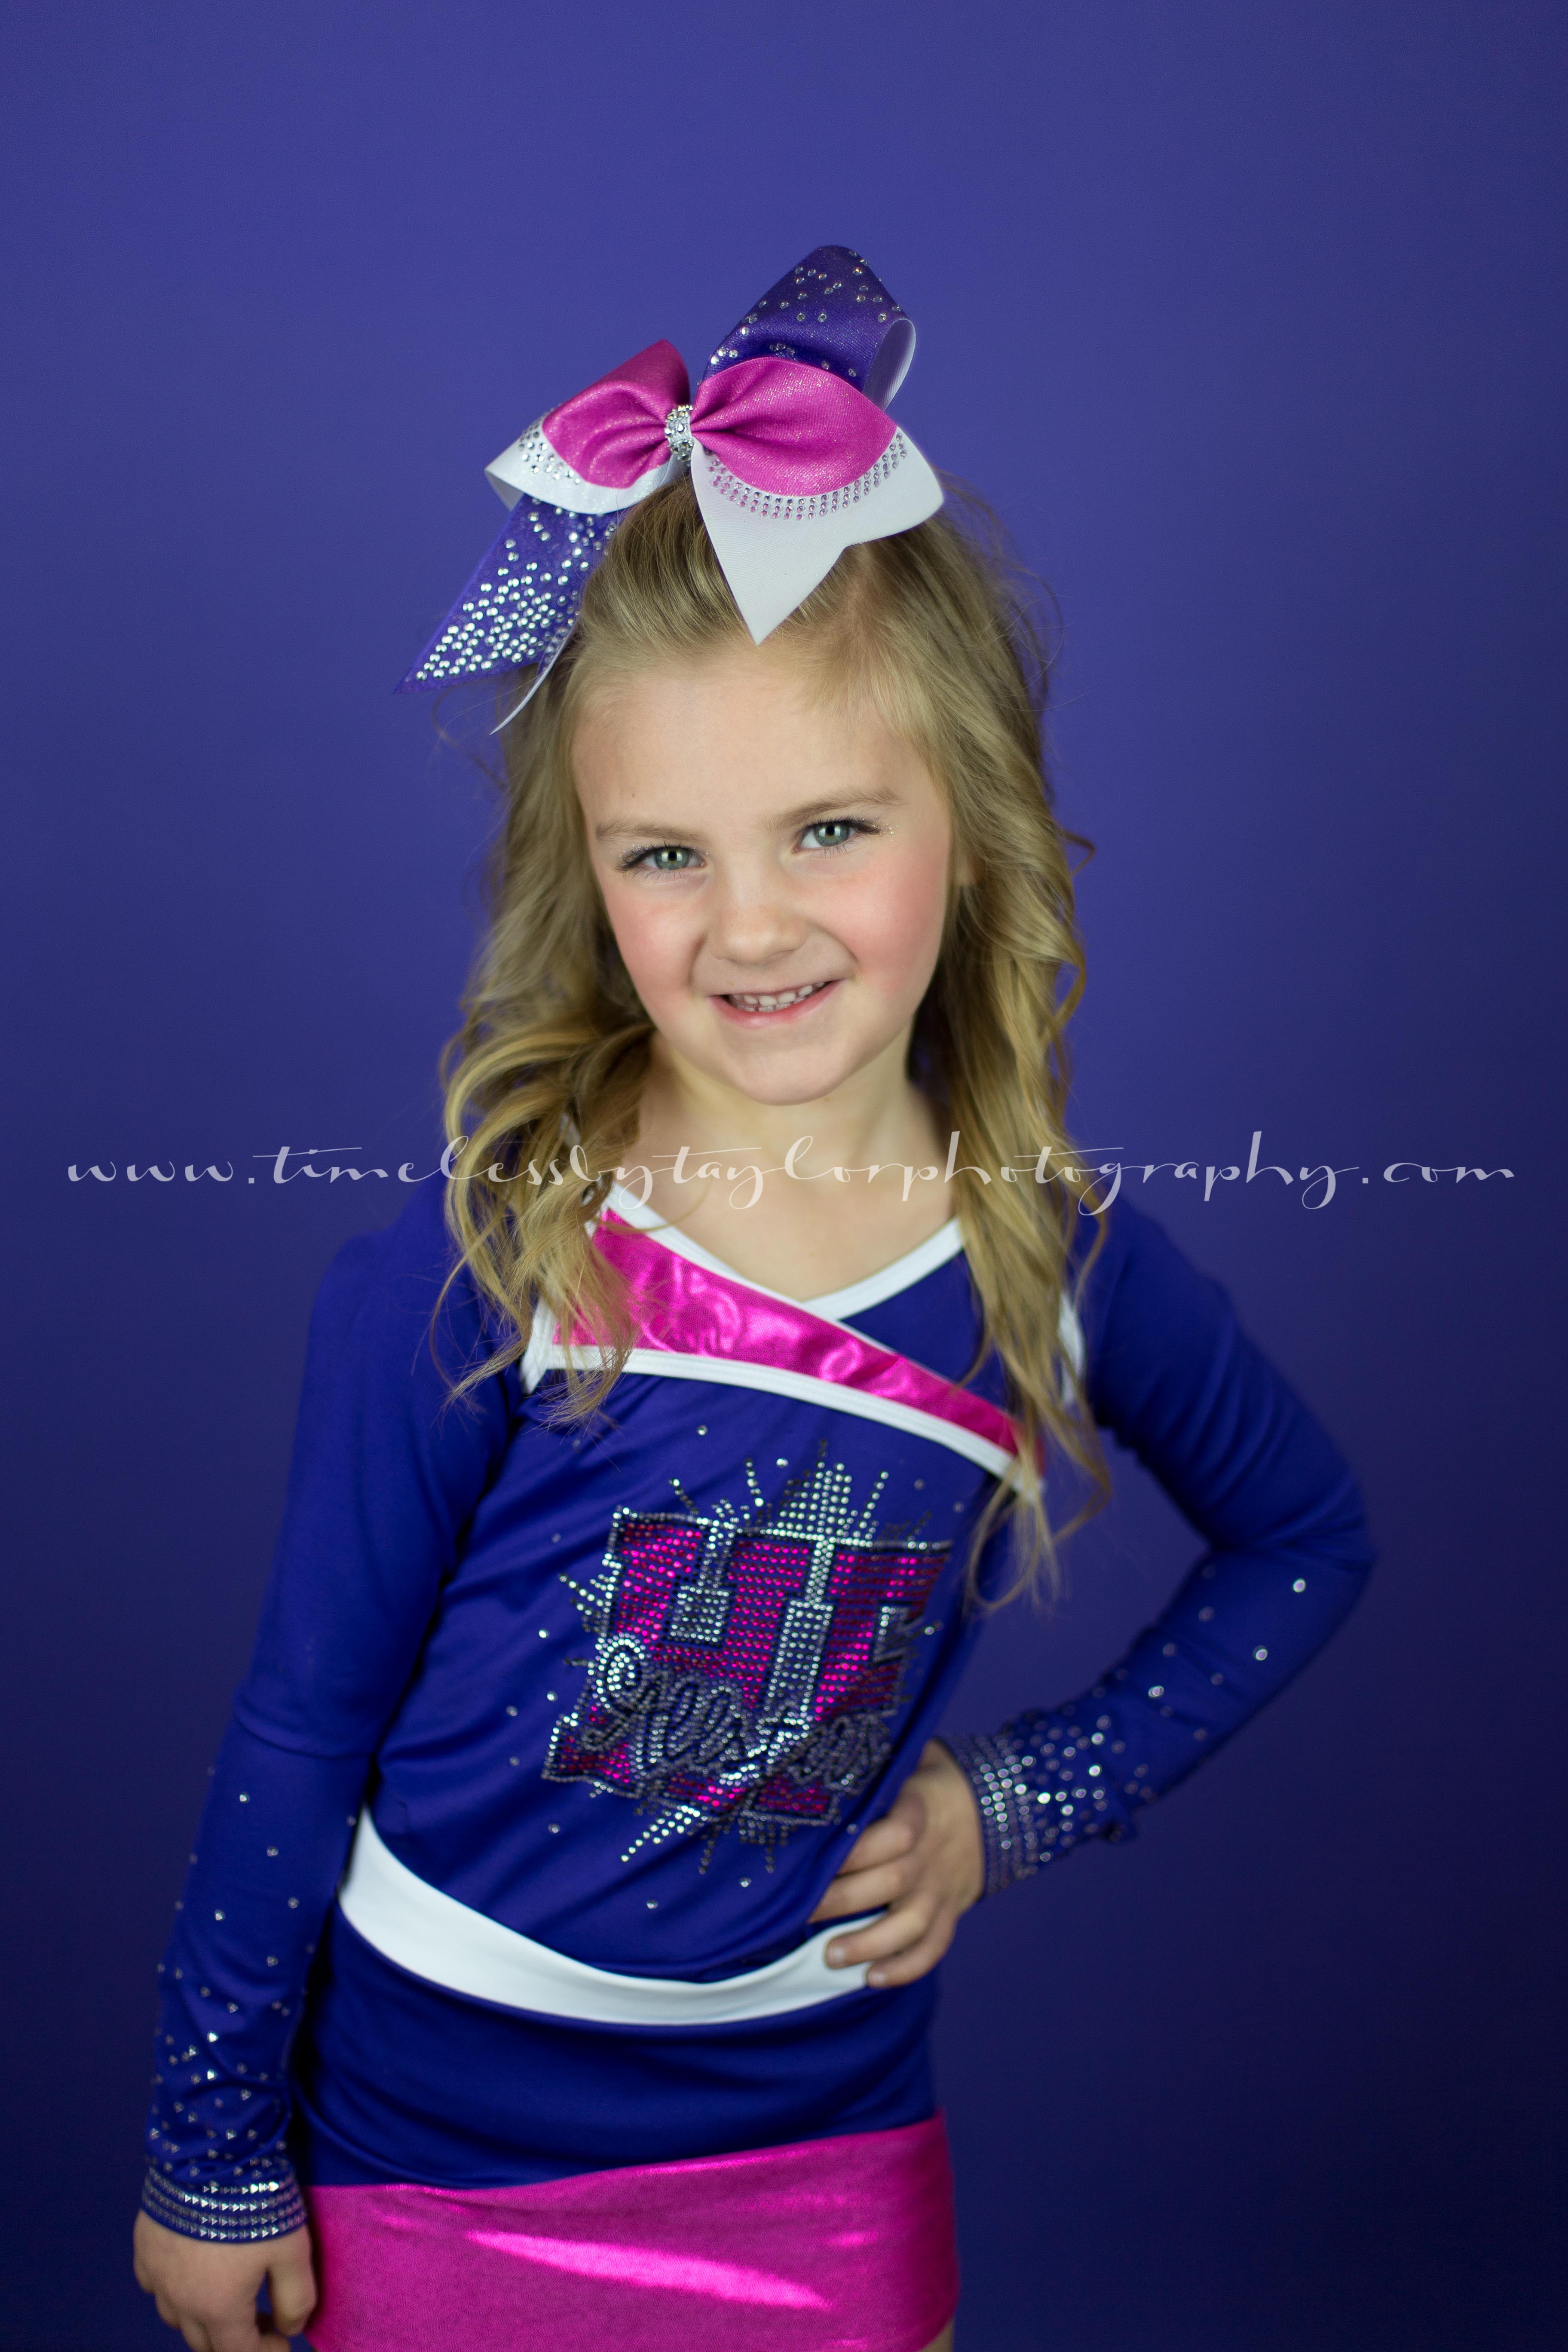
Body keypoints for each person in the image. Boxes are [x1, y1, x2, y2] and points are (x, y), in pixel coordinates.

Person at [132, 247, 1372, 2352]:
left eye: (828, 829)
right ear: (585, 865)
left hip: (824, 2148)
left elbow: (1308, 1536)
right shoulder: (492, 1254)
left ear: (973, 825)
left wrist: (1018, 1799)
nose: (751, 928)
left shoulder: (1045, 1256)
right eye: (666, 855)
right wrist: (211, 2145)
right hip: (432, 2144)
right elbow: (299, 1722)